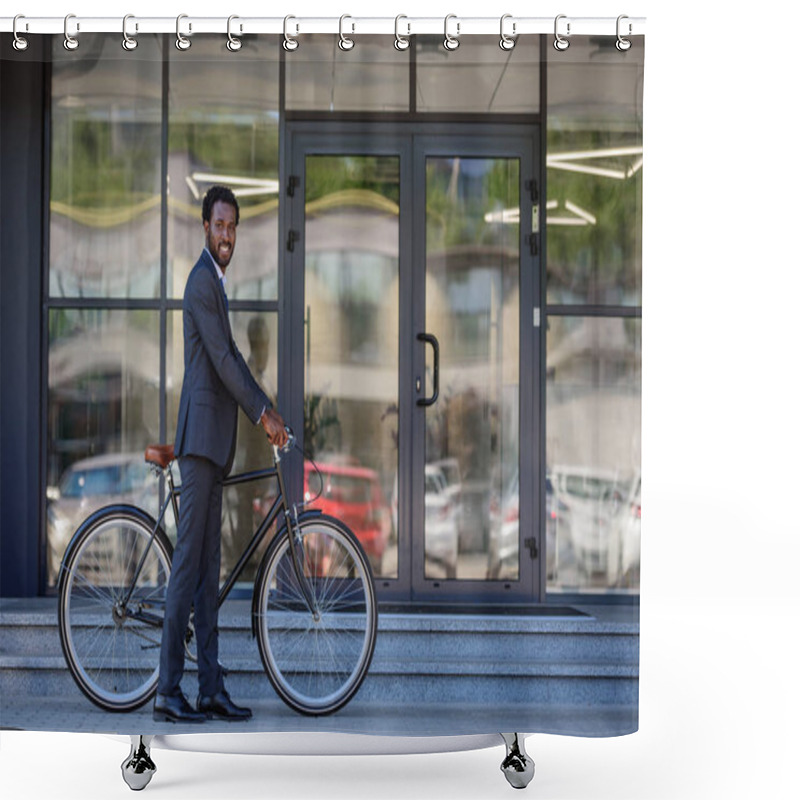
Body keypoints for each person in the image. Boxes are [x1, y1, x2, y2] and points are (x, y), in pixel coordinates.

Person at [154, 186, 287, 723]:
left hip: (214, 444)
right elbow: (224, 362)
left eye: (233, 226)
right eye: (220, 225)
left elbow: (231, 357)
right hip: (200, 443)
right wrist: (263, 413)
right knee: (187, 571)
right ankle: (167, 689)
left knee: (209, 573)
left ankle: (210, 687)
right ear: (204, 226)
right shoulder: (201, 283)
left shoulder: (216, 281)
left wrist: (266, 406)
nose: (227, 234)